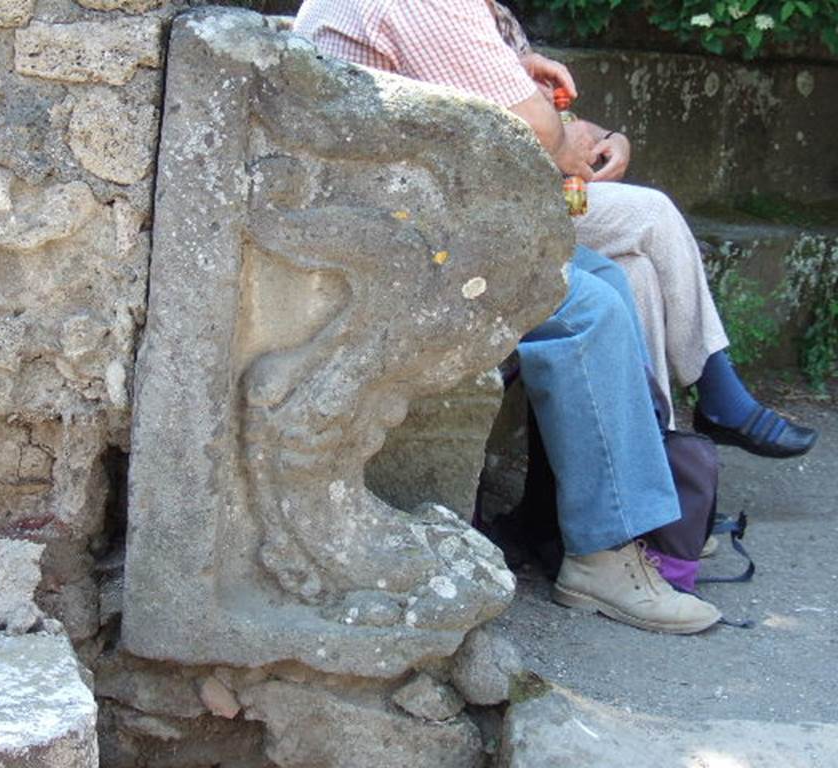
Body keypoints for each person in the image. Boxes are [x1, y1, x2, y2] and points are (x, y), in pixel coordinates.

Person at [293, 0, 722, 634]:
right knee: (586, 306)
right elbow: (541, 136)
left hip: (389, 224)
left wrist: (522, 76)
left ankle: (603, 523)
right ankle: (602, 558)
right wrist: (561, 128)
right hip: (385, 251)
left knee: (603, 276)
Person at [480, 0, 817, 455]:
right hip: (499, 210)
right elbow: (528, 131)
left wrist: (612, 140)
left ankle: (663, 463)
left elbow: (560, 118)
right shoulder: (437, 15)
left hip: (553, 197)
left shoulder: (495, 17)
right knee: (653, 212)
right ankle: (718, 392)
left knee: (635, 272)